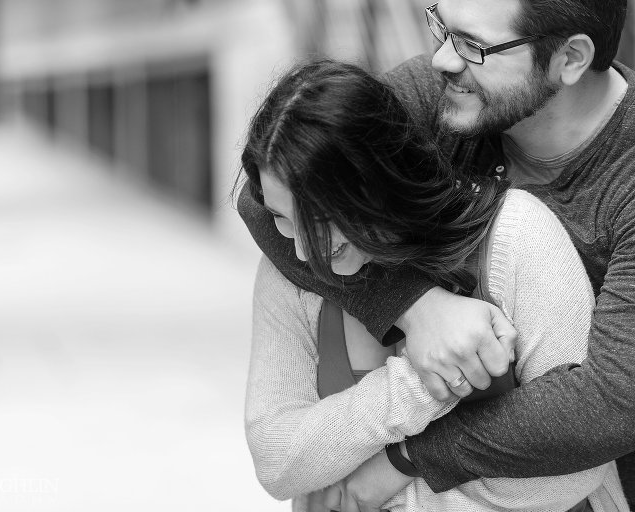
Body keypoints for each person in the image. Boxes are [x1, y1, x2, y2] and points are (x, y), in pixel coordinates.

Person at [237, 0, 635, 506]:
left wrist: (407, 459)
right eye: (441, 27)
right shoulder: (442, 96)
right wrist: (416, 305)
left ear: (571, 58)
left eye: (473, 44)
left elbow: (609, 405)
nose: (443, 60)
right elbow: (270, 192)